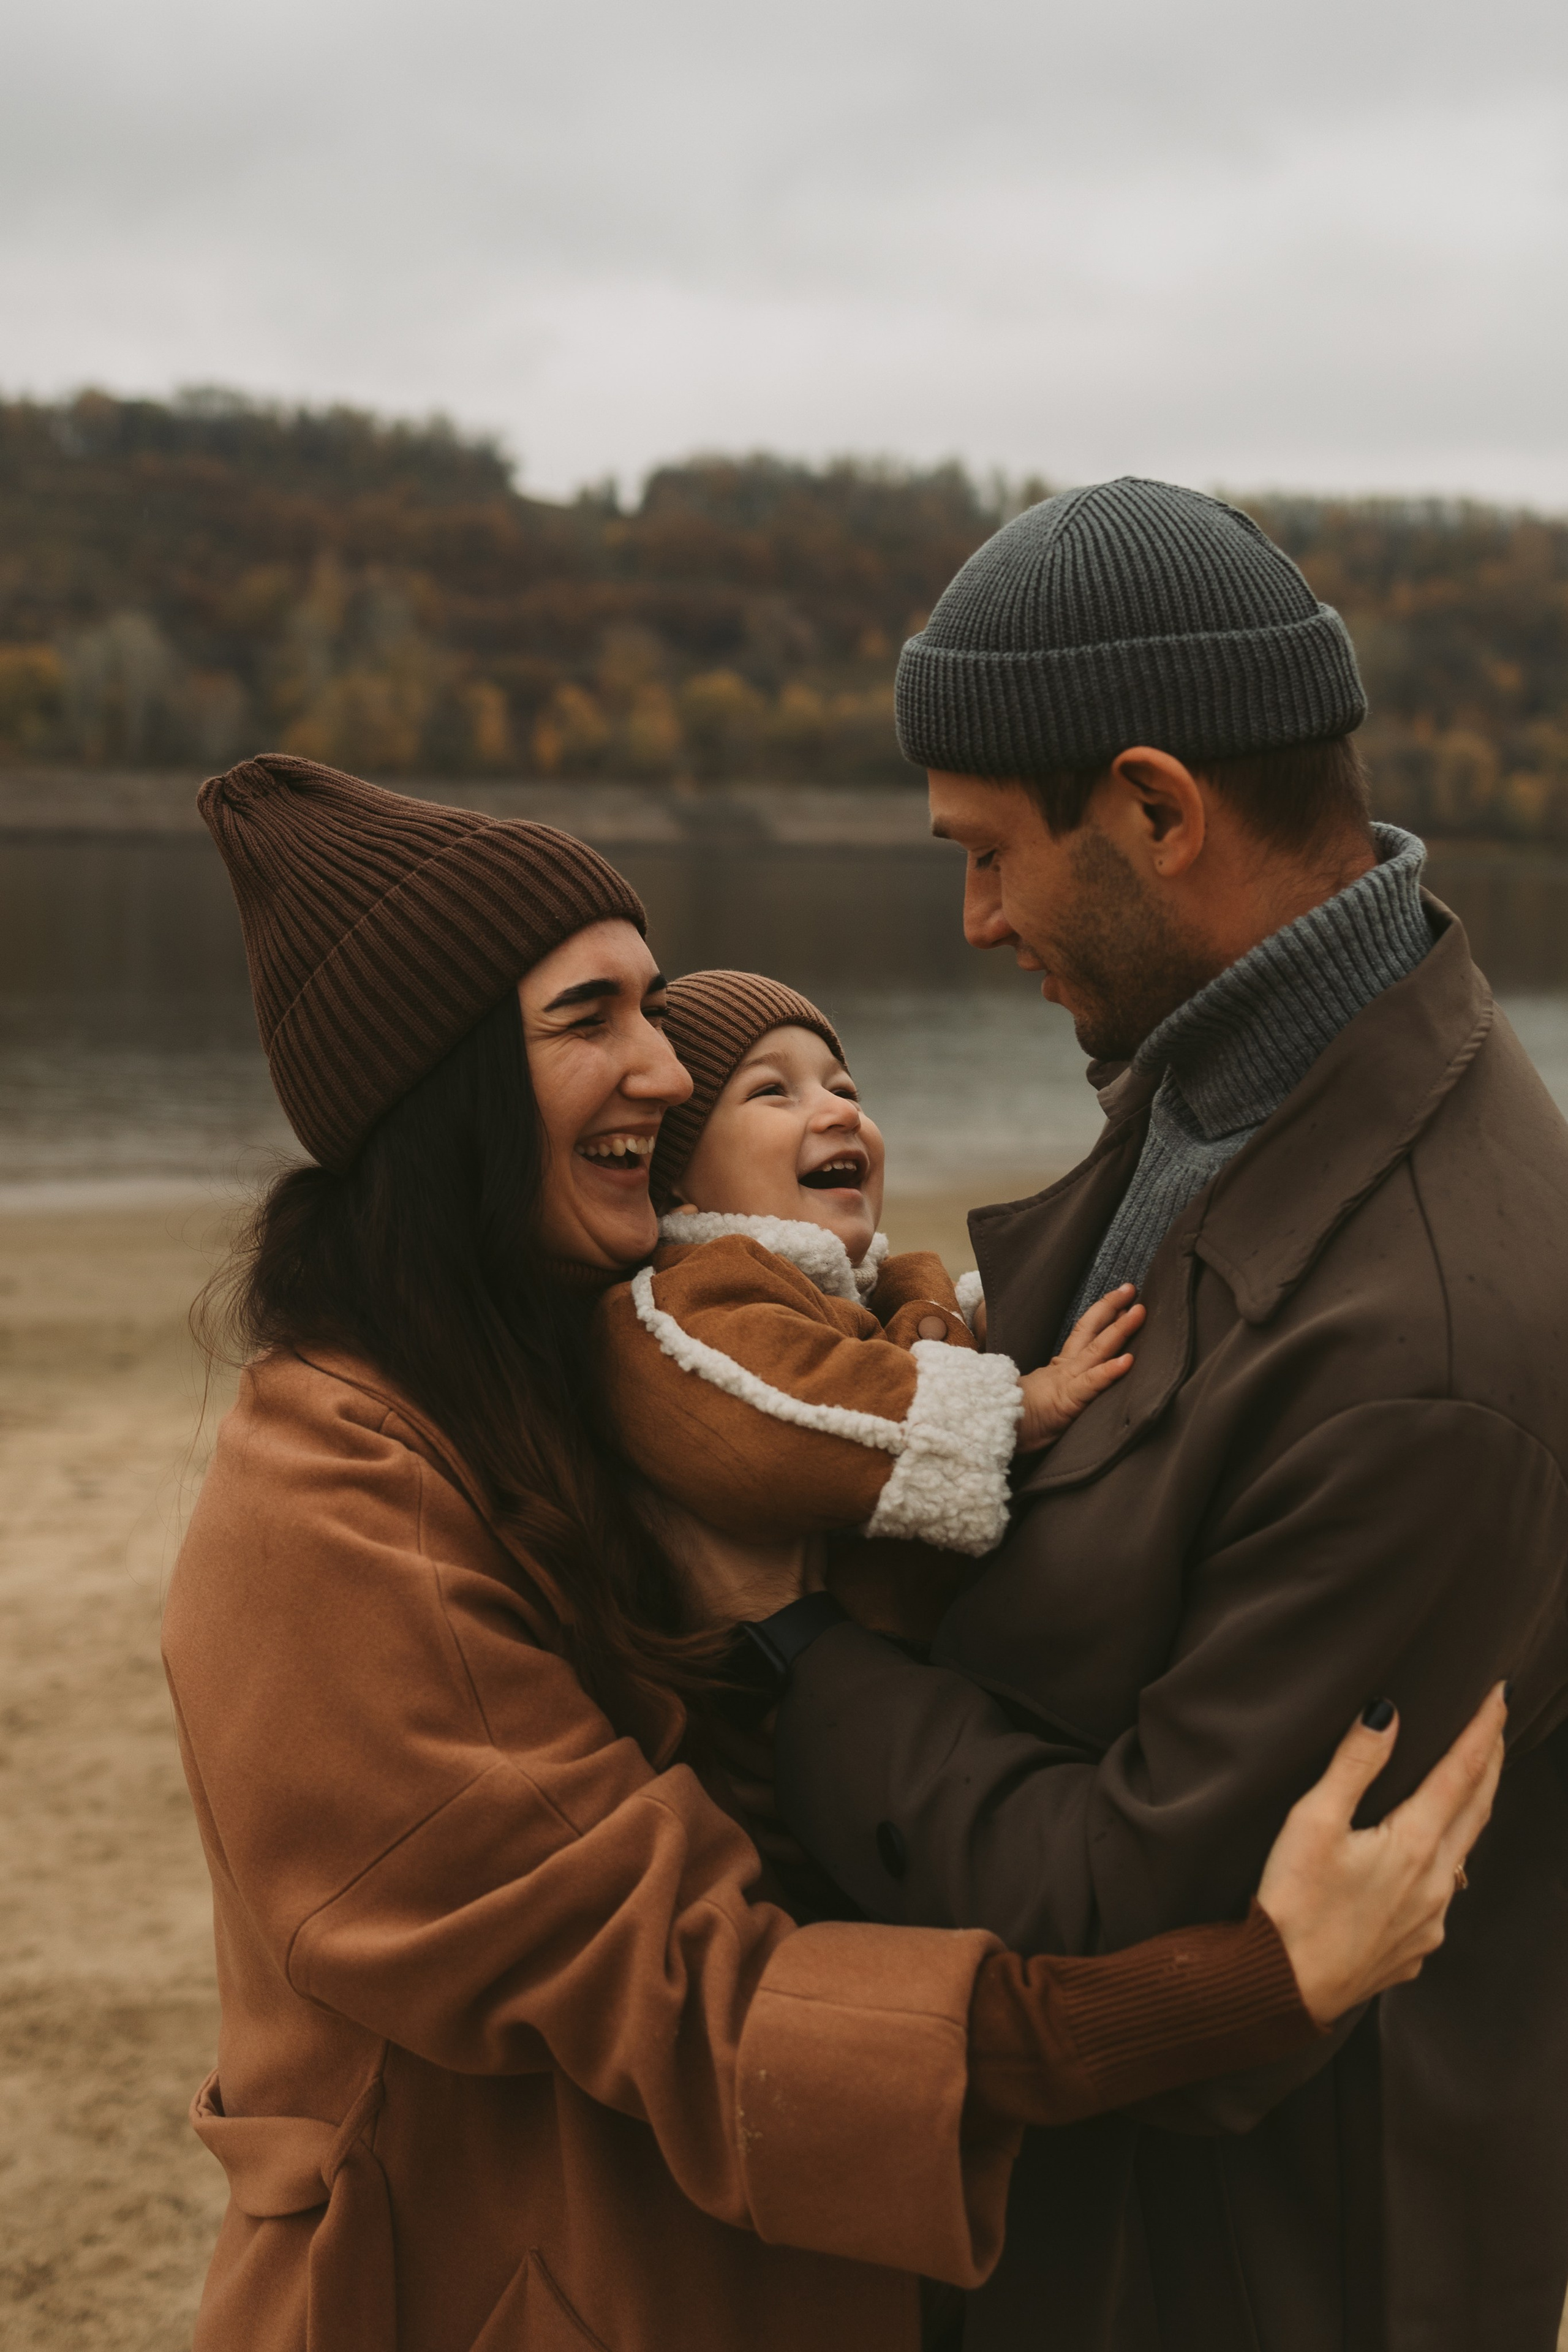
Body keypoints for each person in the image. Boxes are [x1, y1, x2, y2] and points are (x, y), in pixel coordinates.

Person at [165, 754, 1503, 2352]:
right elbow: (696, 2002)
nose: (664, 1068)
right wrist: (1241, 1990)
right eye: (588, 1020)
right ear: (442, 1092)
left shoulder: (594, 1369)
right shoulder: (326, 1506)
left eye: (651, 1006)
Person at [758, 479, 1568, 2349]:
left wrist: (793, 1652)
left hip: (1256, 2281)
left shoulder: (1426, 1351)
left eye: (986, 854)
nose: (972, 920)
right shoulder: (1228, 1083)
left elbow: (1156, 1929)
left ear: (1154, 809)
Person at [597, 966, 1142, 1572]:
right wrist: (1014, 1410)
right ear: (674, 1176)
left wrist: (1012, 1317)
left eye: (846, 1091)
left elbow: (914, 1344)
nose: (840, 1113)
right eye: (772, 1090)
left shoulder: (877, 1291)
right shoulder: (682, 1306)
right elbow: (790, 1413)